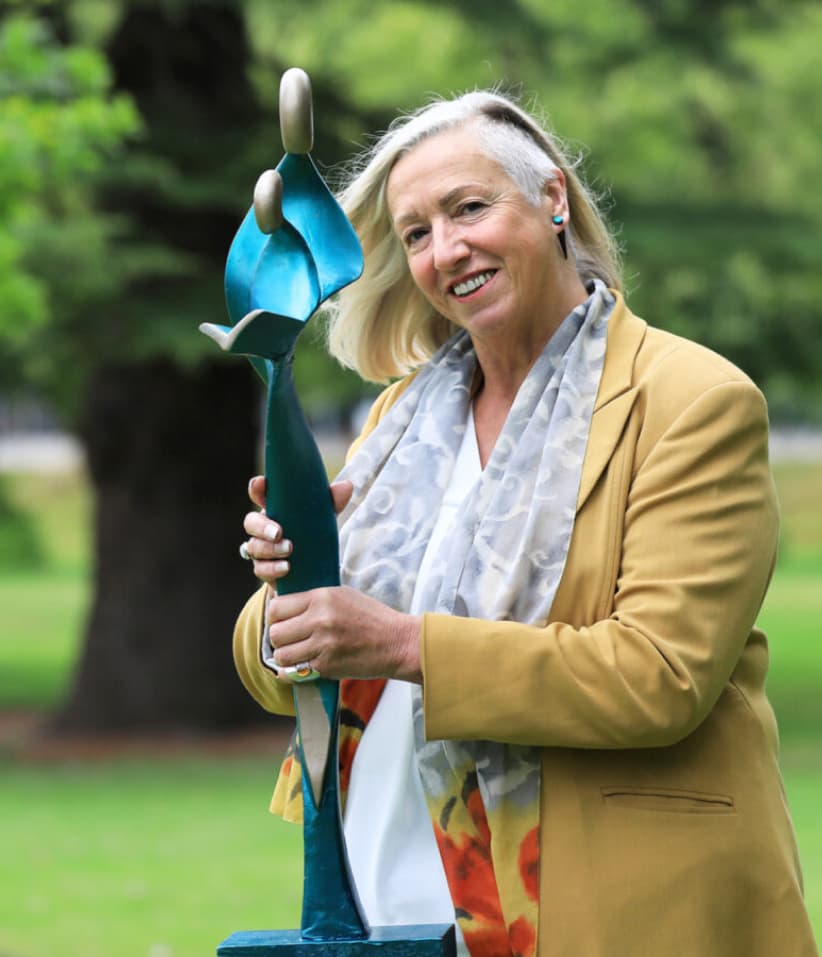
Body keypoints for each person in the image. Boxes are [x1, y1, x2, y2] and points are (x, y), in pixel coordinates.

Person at [232, 90, 818, 957]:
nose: (446, 249)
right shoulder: (401, 416)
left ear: (552, 201)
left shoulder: (693, 403)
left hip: (609, 905)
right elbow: (286, 664)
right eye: (418, 232)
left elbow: (657, 675)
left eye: (469, 208)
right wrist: (299, 580)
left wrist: (401, 643)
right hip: (390, 902)